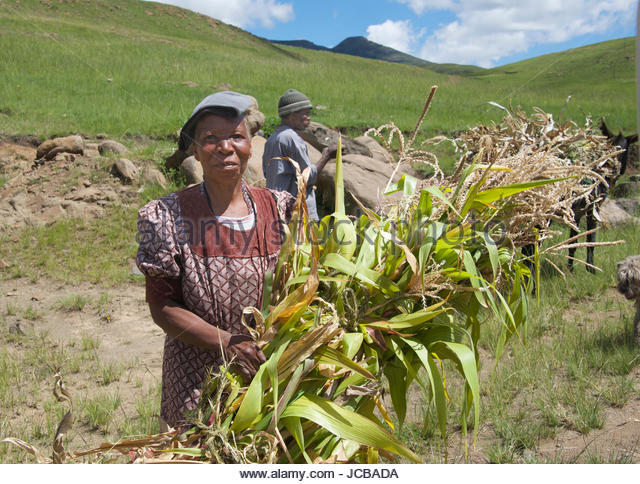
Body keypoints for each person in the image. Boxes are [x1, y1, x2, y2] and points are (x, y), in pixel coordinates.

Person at [136, 91, 295, 428]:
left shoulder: (279, 209)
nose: (226, 147)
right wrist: (228, 343)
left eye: (236, 136)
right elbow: (162, 306)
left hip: (270, 378)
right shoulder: (165, 216)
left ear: (251, 146)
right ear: (195, 150)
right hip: (197, 381)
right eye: (211, 138)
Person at [262, 88, 336, 221]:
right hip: (297, 213)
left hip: (277, 209)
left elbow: (266, 172)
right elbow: (307, 177)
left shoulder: (273, 138)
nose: (309, 117)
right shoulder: (291, 138)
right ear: (292, 115)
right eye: (305, 114)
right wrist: (327, 155)